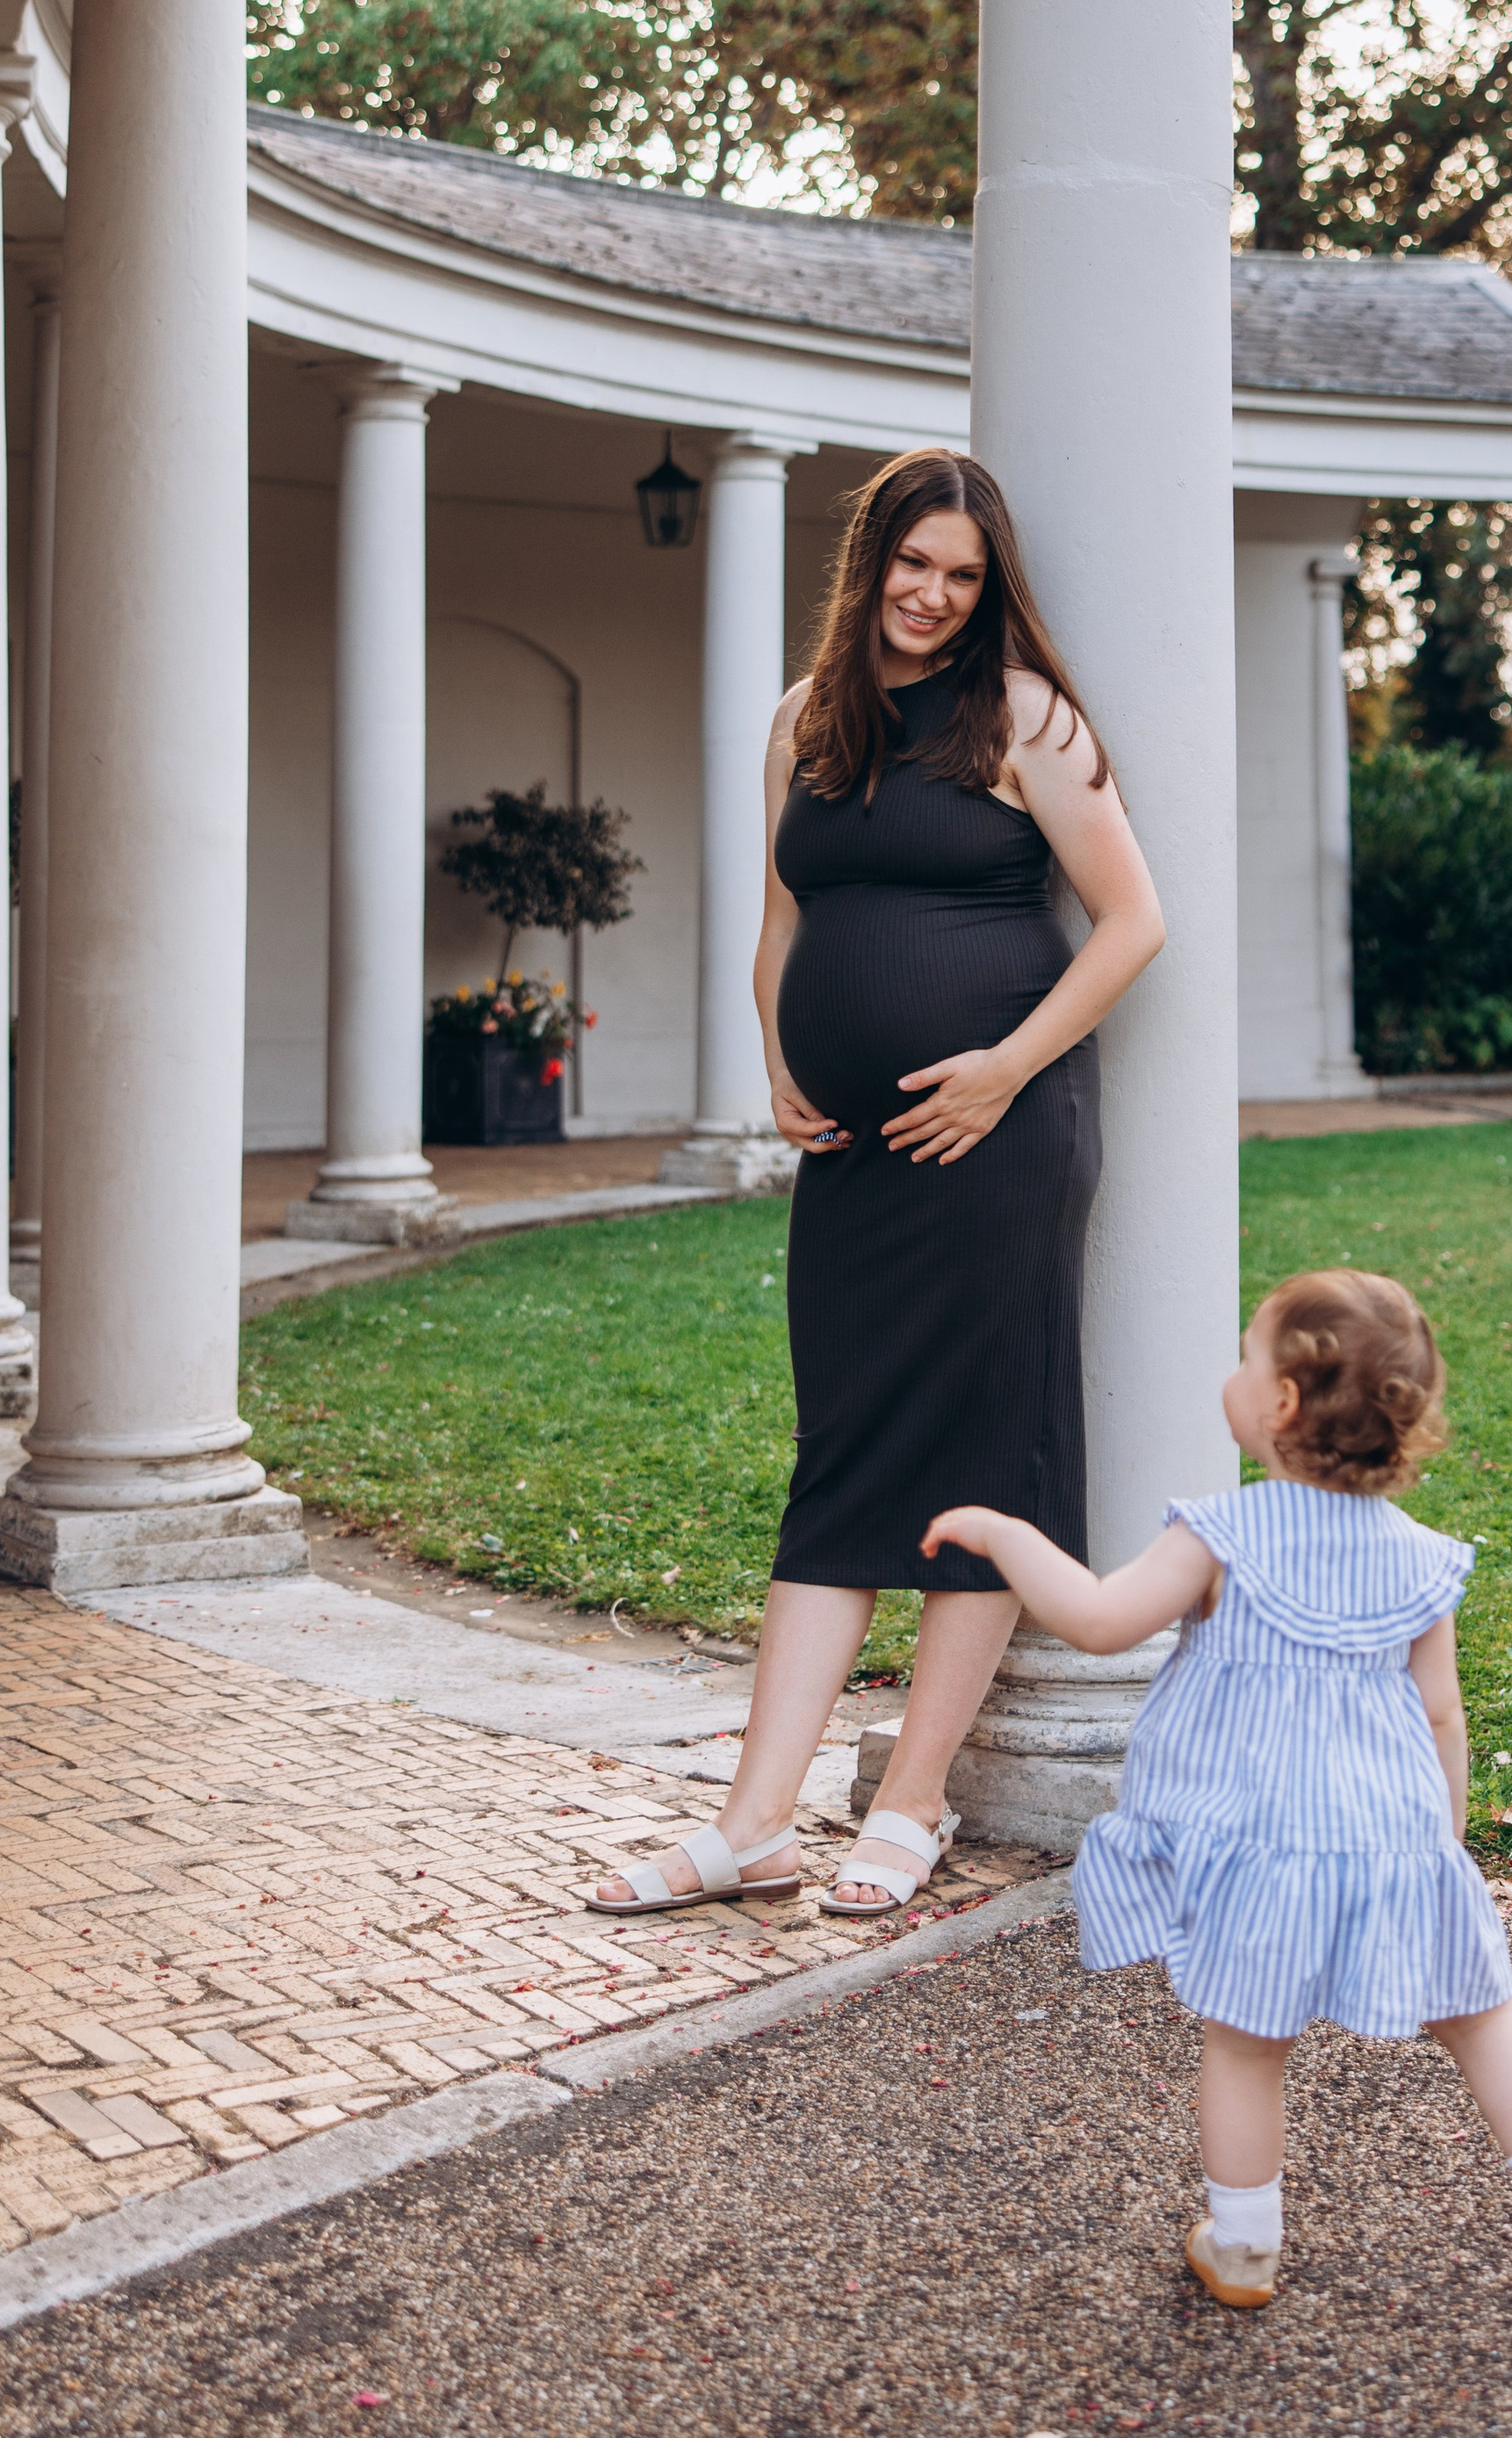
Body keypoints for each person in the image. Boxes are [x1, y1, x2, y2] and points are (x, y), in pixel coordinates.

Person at [588, 448, 1164, 1922]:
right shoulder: (807, 721)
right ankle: (752, 1823)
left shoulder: (1026, 717)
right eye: (915, 563)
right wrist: (781, 1054)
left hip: (995, 1146)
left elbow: (1131, 921)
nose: (933, 593)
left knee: (977, 1455)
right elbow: (784, 915)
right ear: (873, 562)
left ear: (990, 591)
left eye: (963, 575)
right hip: (852, 1152)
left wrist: (1003, 1069)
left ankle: (913, 1797)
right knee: (840, 1456)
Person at [921, 1270, 1512, 2313]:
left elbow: (1093, 1619)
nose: (1231, 1372)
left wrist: (1005, 1534)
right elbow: (1439, 1713)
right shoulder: (1421, 1560)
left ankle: (1245, 2244)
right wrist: (1441, 1844)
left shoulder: (1221, 1534)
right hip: (1396, 1837)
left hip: (1259, 1844)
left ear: (1277, 1405)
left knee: (1247, 2042)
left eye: (1244, 1355)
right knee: (1487, 2018)